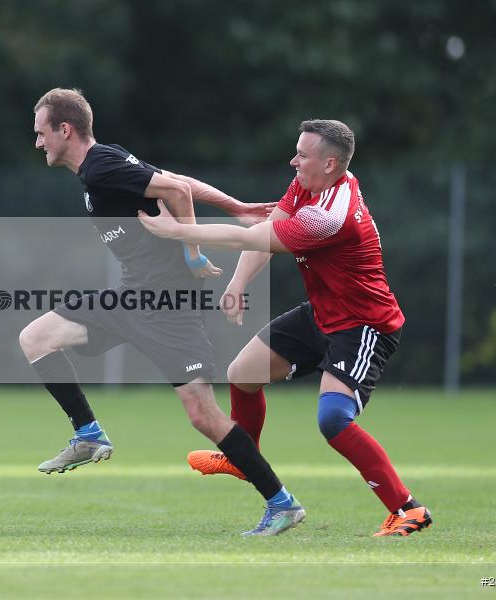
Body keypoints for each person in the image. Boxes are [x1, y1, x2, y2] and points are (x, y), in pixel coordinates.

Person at [19, 87, 305, 536]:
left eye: (41, 133)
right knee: (37, 337)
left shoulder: (100, 166)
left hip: (167, 307)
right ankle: (89, 434)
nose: (38, 143)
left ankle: (282, 503)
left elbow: (174, 191)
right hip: (131, 298)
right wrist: (236, 207)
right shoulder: (104, 161)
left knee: (203, 416)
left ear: (65, 129)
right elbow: (181, 184)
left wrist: (191, 250)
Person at [138, 119, 432, 537]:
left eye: (302, 155)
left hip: (364, 324)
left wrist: (176, 231)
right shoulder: (312, 185)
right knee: (242, 374)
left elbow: (248, 238)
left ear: (330, 163)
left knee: (333, 419)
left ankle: (408, 509)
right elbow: (266, 229)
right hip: (323, 313)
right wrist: (238, 284)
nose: (293, 161)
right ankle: (245, 456)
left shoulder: (330, 215)